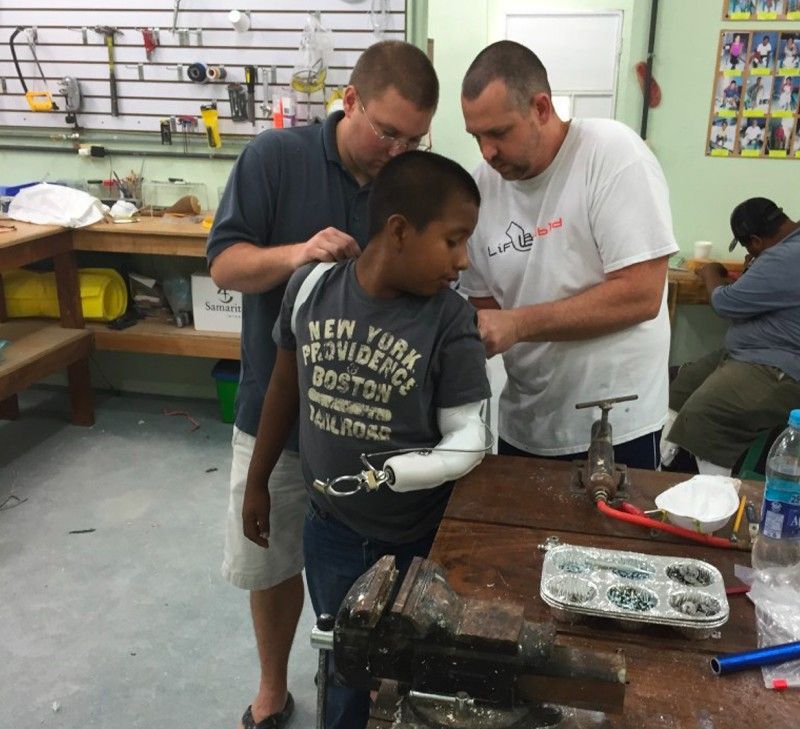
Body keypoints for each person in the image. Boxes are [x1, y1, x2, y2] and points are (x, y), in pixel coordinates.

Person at [207, 41, 438, 729]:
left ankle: (356, 673)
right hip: (275, 410)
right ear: (350, 102)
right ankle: (273, 685)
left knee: (363, 564)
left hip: (370, 422)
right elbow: (224, 264)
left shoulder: (411, 180)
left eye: (413, 139)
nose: (396, 151)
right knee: (271, 558)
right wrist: (297, 253)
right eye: (386, 131)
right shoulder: (273, 159)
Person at [243, 151, 491, 729]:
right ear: (399, 231)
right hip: (331, 532)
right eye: (453, 241)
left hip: (421, 539)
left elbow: (467, 439)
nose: (462, 261)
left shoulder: (449, 321)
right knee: (344, 666)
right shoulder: (311, 288)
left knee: (422, 674)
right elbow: (284, 389)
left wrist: (398, 472)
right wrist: (257, 483)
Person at [459, 40, 678, 469]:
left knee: (611, 538)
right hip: (526, 422)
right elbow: (485, 307)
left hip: (617, 424)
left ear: (541, 108)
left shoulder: (612, 155)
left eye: (499, 133)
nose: (487, 151)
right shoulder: (479, 187)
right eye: (476, 136)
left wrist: (519, 324)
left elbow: (641, 295)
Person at [661, 198, 800, 476]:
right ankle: (661, 469)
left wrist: (711, 273)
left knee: (704, 417)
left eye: (749, 246)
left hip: (778, 367)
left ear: (757, 241)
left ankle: (714, 502)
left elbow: (726, 304)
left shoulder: (785, 256)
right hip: (750, 353)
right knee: (676, 389)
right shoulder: (785, 251)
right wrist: (755, 270)